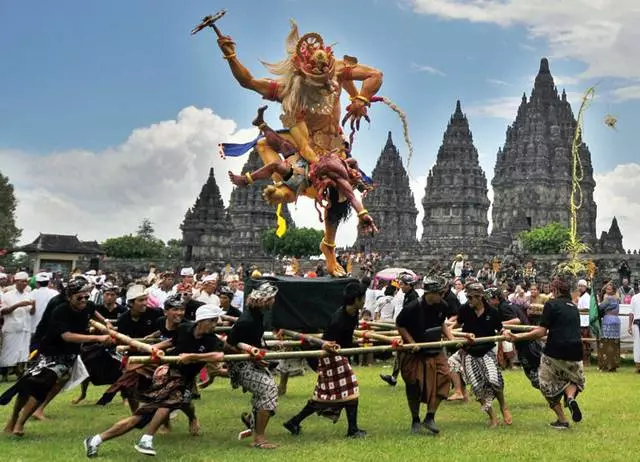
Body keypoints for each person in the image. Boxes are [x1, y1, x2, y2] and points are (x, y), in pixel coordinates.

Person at [83, 305, 225, 457]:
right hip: (170, 375)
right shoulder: (184, 328)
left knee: (140, 417)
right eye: (213, 320)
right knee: (166, 402)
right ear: (202, 321)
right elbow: (170, 342)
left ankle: (96, 439)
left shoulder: (211, 340)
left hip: (185, 380)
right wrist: (151, 350)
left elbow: (218, 356)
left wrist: (193, 357)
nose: (215, 324)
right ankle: (145, 439)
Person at [0, 278, 114, 436]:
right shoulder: (59, 309)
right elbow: (67, 336)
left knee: (44, 386)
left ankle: (21, 421)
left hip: (69, 355)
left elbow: (94, 313)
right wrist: (98, 338)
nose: (84, 300)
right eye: (79, 297)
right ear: (69, 297)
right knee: (30, 385)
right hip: (48, 351)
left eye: (87, 297)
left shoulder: (87, 305)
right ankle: (14, 421)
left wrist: (106, 323)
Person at [283, 282, 367, 438]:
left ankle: (294, 422)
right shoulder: (339, 320)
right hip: (330, 356)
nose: (364, 301)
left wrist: (354, 343)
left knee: (329, 395)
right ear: (356, 299)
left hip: (339, 354)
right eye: (363, 298)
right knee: (348, 392)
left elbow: (346, 339)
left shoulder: (353, 313)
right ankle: (352, 430)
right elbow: (330, 342)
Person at [505, 276, 585, 429]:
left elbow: (541, 332)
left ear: (554, 290)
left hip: (555, 350)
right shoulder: (573, 307)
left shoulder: (551, 304)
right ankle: (570, 398)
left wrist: (517, 336)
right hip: (575, 349)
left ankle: (562, 419)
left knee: (545, 383)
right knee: (574, 379)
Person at [396, 277, 455, 434]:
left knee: (445, 377)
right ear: (431, 293)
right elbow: (400, 324)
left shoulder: (442, 305)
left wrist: (451, 338)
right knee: (414, 384)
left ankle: (430, 417)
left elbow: (441, 323)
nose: (443, 296)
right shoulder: (413, 307)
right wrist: (411, 342)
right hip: (415, 352)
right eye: (440, 293)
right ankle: (415, 419)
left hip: (435, 349)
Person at [225, 282, 280, 449]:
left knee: (266, 393)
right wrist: (251, 356)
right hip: (241, 365)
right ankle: (259, 439)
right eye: (272, 299)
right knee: (268, 389)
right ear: (266, 300)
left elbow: (252, 340)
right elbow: (228, 345)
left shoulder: (257, 315)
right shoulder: (247, 320)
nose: (274, 302)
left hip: (250, 361)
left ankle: (253, 424)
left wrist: (261, 351)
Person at [452, 282, 511, 427]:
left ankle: (503, 407)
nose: (469, 300)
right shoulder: (465, 309)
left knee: (494, 381)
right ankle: (493, 417)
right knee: (477, 387)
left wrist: (505, 333)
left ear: (479, 297)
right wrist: (455, 333)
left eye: (471, 297)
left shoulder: (492, 311)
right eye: (468, 297)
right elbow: (456, 326)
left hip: (486, 350)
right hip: (469, 352)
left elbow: (501, 328)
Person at [485, 287, 542, 389]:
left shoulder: (504, 307)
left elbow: (516, 320)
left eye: (490, 299)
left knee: (534, 374)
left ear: (496, 298)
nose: (488, 302)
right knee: (535, 371)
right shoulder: (507, 304)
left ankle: (555, 394)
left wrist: (497, 324)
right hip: (526, 341)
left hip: (527, 343)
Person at [380, 273, 418, 386]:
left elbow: (412, 315)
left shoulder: (413, 297)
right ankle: (394, 377)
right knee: (400, 353)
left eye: (402, 284)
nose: (400, 286)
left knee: (406, 355)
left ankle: (410, 378)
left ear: (409, 285)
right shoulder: (408, 295)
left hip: (412, 332)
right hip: (408, 329)